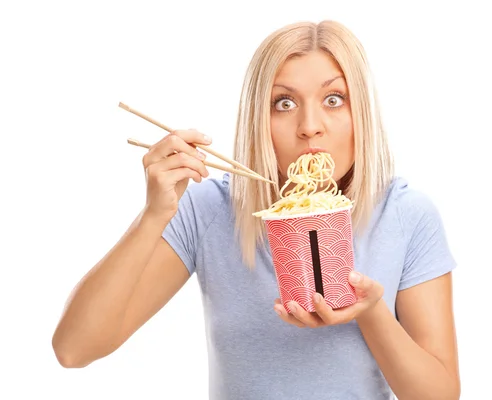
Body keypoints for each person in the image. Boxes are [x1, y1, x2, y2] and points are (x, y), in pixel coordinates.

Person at [52, 20, 461, 400]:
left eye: (334, 99)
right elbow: (74, 350)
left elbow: (439, 395)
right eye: (283, 103)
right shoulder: (209, 208)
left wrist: (371, 313)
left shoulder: (407, 214)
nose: (309, 126)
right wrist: (155, 214)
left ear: (361, 115)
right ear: (257, 120)